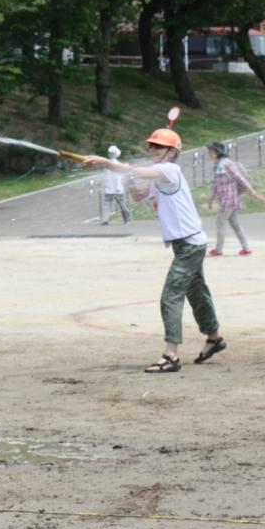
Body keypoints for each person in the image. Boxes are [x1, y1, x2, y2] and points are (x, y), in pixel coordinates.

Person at [82, 128, 224, 373]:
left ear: (173, 152)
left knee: (171, 296)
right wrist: (126, 176)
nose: (153, 149)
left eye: (159, 146)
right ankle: (214, 338)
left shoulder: (169, 170)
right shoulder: (159, 177)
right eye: (151, 145)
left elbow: (138, 171)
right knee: (196, 292)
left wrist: (109, 163)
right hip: (187, 243)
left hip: (189, 244)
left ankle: (171, 355)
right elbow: (137, 195)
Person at [206, 141, 265, 256]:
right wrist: (211, 199)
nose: (209, 153)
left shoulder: (227, 163)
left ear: (217, 152)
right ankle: (246, 248)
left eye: (211, 151)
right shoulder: (218, 165)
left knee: (220, 222)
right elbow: (216, 184)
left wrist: (251, 190)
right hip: (227, 199)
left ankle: (218, 249)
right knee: (235, 223)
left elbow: (240, 177)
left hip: (229, 198)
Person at [100, 145, 130, 225]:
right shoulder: (118, 165)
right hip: (118, 189)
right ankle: (126, 218)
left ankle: (105, 220)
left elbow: (106, 178)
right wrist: (118, 188)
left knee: (107, 204)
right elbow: (118, 178)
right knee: (122, 205)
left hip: (109, 189)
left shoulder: (106, 165)